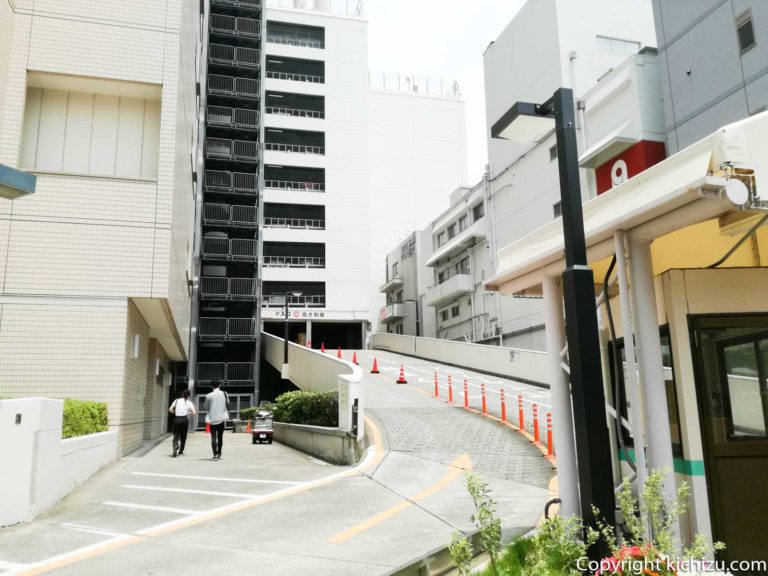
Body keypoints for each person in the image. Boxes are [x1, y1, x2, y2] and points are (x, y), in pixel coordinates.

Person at [204, 380, 229, 461]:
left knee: (213, 437)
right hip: (221, 418)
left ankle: (215, 455)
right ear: (220, 385)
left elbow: (205, 407)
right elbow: (227, 403)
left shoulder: (209, 395)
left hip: (212, 419)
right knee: (220, 437)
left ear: (211, 386)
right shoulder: (224, 394)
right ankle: (219, 453)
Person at [169, 389, 196, 457]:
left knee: (176, 435)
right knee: (183, 436)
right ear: (188, 396)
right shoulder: (189, 403)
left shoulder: (177, 400)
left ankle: (175, 445)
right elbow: (194, 413)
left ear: (182, 394)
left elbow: (170, 409)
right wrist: (187, 412)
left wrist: (175, 412)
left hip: (177, 419)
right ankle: (181, 451)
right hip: (184, 420)